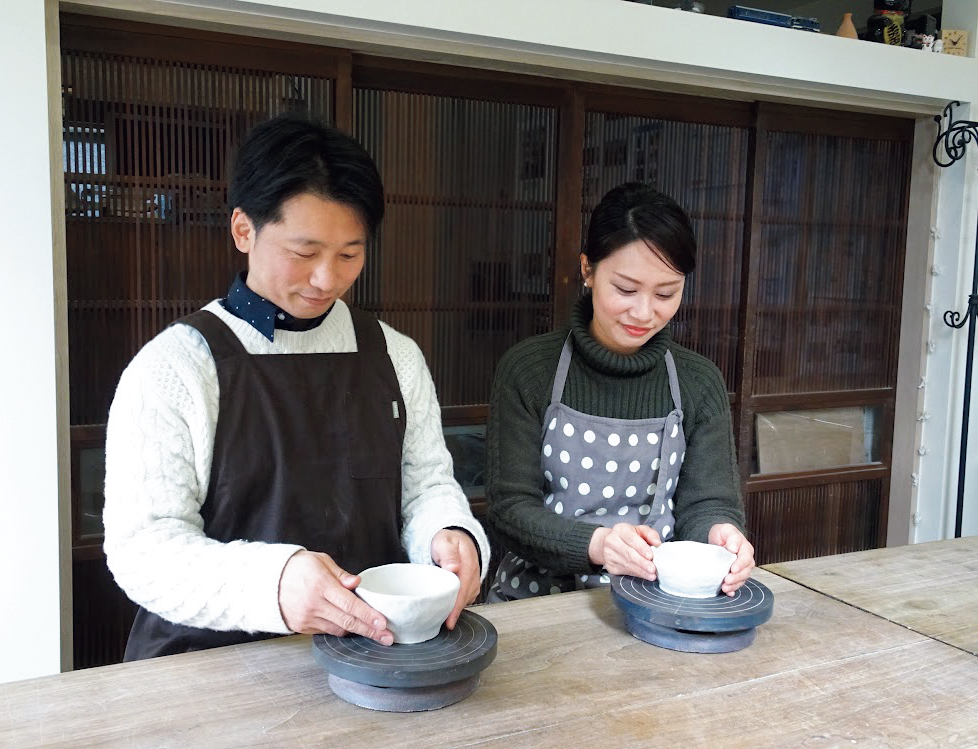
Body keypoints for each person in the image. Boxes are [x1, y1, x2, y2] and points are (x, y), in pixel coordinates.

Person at [103, 113, 489, 660]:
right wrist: (276, 583)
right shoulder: (176, 366)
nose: (326, 279)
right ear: (243, 229)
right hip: (207, 666)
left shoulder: (393, 355)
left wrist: (446, 534)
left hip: (368, 659)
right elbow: (143, 550)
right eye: (303, 253)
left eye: (349, 254)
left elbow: (426, 485)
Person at [484, 182, 753, 602]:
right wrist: (599, 546)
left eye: (666, 293)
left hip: (657, 601)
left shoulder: (698, 382)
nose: (644, 313)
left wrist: (721, 533)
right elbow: (509, 510)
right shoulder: (529, 371)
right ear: (588, 269)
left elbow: (708, 503)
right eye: (625, 290)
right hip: (538, 602)